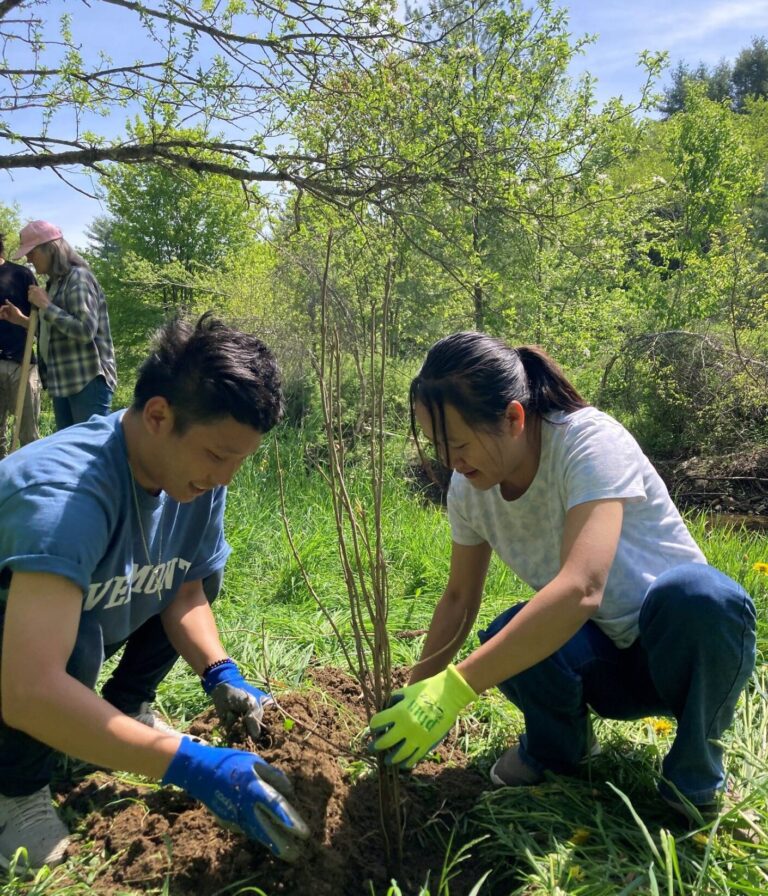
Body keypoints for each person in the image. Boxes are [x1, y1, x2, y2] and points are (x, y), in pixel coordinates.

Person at [370, 331, 756, 824]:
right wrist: (416, 694)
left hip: (677, 650)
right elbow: (459, 598)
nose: (449, 462)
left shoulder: (588, 442)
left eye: (459, 444)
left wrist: (456, 688)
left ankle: (694, 773)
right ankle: (559, 750)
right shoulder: (469, 492)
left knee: (701, 596)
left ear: (513, 418)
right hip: (604, 664)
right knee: (508, 631)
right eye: (436, 446)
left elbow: (582, 588)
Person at [0, 314, 310, 872]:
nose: (227, 478)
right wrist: (188, 763)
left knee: (198, 571)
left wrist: (221, 671)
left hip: (50, 643)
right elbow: (28, 688)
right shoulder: (66, 497)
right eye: (219, 456)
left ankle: (126, 707)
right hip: (18, 663)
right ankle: (13, 789)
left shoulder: (191, 476)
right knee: (70, 651)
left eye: (240, 461)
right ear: (159, 415)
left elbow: (185, 590)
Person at [3, 220, 116, 430]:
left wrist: (45, 305)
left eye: (31, 253)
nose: (28, 259)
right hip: (62, 382)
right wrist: (20, 320)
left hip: (87, 380)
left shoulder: (78, 279)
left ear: (50, 249)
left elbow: (84, 330)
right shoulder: (53, 284)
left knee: (88, 454)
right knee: (70, 457)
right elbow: (55, 332)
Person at [0, 232, 40, 457]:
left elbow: (42, 321)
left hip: (21, 363)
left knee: (28, 436)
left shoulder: (21, 275)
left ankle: (30, 485)